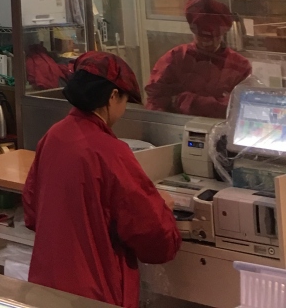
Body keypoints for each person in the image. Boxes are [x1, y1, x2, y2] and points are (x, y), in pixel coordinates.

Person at [23, 52, 180, 308]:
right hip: (95, 293)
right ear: (113, 96)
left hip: (47, 286)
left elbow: (32, 211)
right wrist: (163, 209)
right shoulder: (111, 152)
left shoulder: (53, 136)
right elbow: (153, 237)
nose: (124, 110)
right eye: (125, 101)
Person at [145, 0, 251, 117]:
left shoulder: (240, 66)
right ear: (193, 31)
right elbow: (155, 99)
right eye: (201, 36)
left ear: (222, 34)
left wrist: (188, 101)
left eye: (212, 37)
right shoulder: (175, 58)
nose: (206, 43)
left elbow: (243, 107)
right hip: (180, 126)